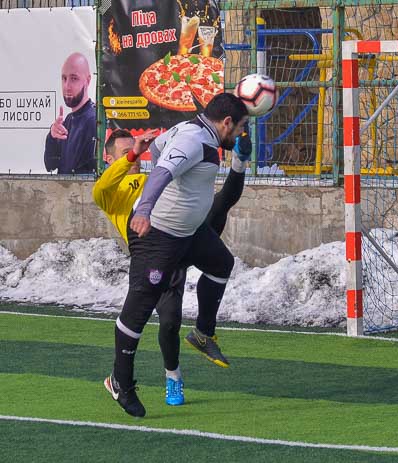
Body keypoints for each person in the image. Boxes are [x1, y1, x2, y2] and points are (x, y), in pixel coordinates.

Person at [104, 93, 249, 417]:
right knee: (139, 310)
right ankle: (120, 382)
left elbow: (157, 151)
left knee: (221, 264)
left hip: (190, 233)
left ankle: (202, 333)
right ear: (226, 122)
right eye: (240, 127)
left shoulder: (190, 129)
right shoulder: (194, 140)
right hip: (158, 236)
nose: (241, 134)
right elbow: (162, 171)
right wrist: (144, 209)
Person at [44, 52, 97, 174]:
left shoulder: (94, 121)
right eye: (64, 78)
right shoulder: (67, 120)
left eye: (74, 78)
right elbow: (50, 164)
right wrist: (52, 136)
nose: (67, 86)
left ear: (87, 81)